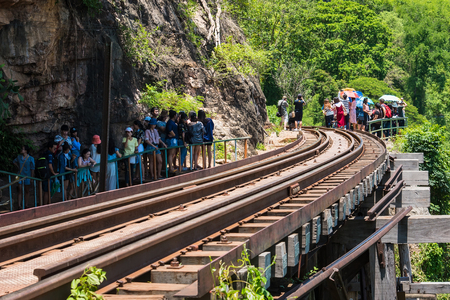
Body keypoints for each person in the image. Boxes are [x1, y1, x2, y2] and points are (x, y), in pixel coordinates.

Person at [13, 145, 35, 209]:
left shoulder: (31, 158)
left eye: (22, 149)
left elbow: (32, 168)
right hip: (20, 175)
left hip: (27, 176)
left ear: (26, 150)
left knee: (27, 190)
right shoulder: (19, 157)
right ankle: (19, 205)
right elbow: (14, 162)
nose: (21, 150)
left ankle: (26, 204)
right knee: (20, 190)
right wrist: (18, 168)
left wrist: (32, 177)